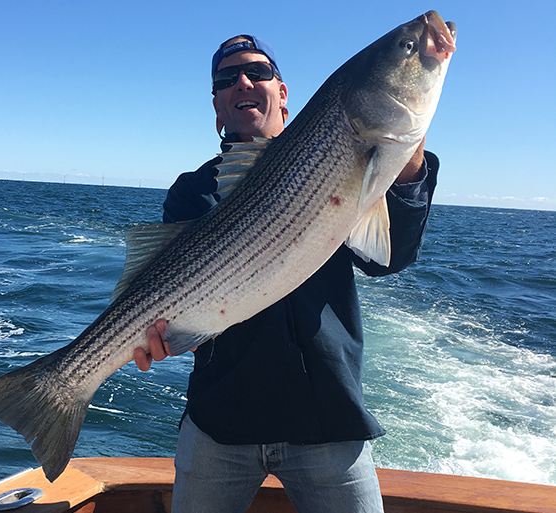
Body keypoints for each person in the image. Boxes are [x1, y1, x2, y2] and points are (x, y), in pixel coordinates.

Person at [134, 35, 439, 513]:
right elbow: (165, 301)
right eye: (225, 79)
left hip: (329, 420)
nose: (242, 82)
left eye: (257, 71)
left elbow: (388, 258)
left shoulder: (340, 161)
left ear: (282, 92)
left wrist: (406, 157)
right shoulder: (193, 192)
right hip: (220, 423)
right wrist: (159, 334)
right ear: (216, 105)